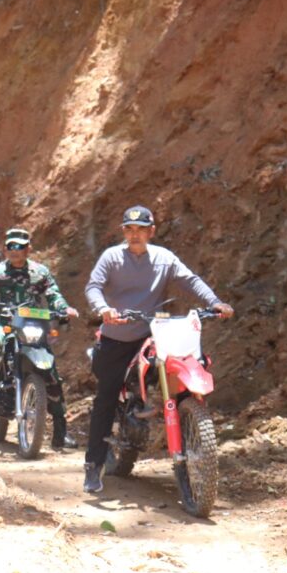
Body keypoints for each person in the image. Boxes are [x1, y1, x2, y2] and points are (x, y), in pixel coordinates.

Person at [83, 205, 234, 494]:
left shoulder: (164, 259)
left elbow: (190, 280)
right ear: (123, 231)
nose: (135, 235)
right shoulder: (112, 257)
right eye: (129, 229)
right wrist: (103, 308)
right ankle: (93, 465)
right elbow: (94, 286)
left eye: (141, 230)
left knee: (185, 371)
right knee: (106, 398)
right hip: (117, 338)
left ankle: (191, 433)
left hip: (155, 335)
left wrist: (215, 302)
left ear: (151, 231)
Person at [0, 228, 80, 447]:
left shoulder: (40, 272)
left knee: (51, 372)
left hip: (33, 323)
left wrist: (64, 308)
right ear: (5, 249)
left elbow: (53, 294)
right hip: (5, 322)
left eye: (20, 247)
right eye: (11, 246)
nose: (15, 250)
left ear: (28, 249)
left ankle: (60, 431)